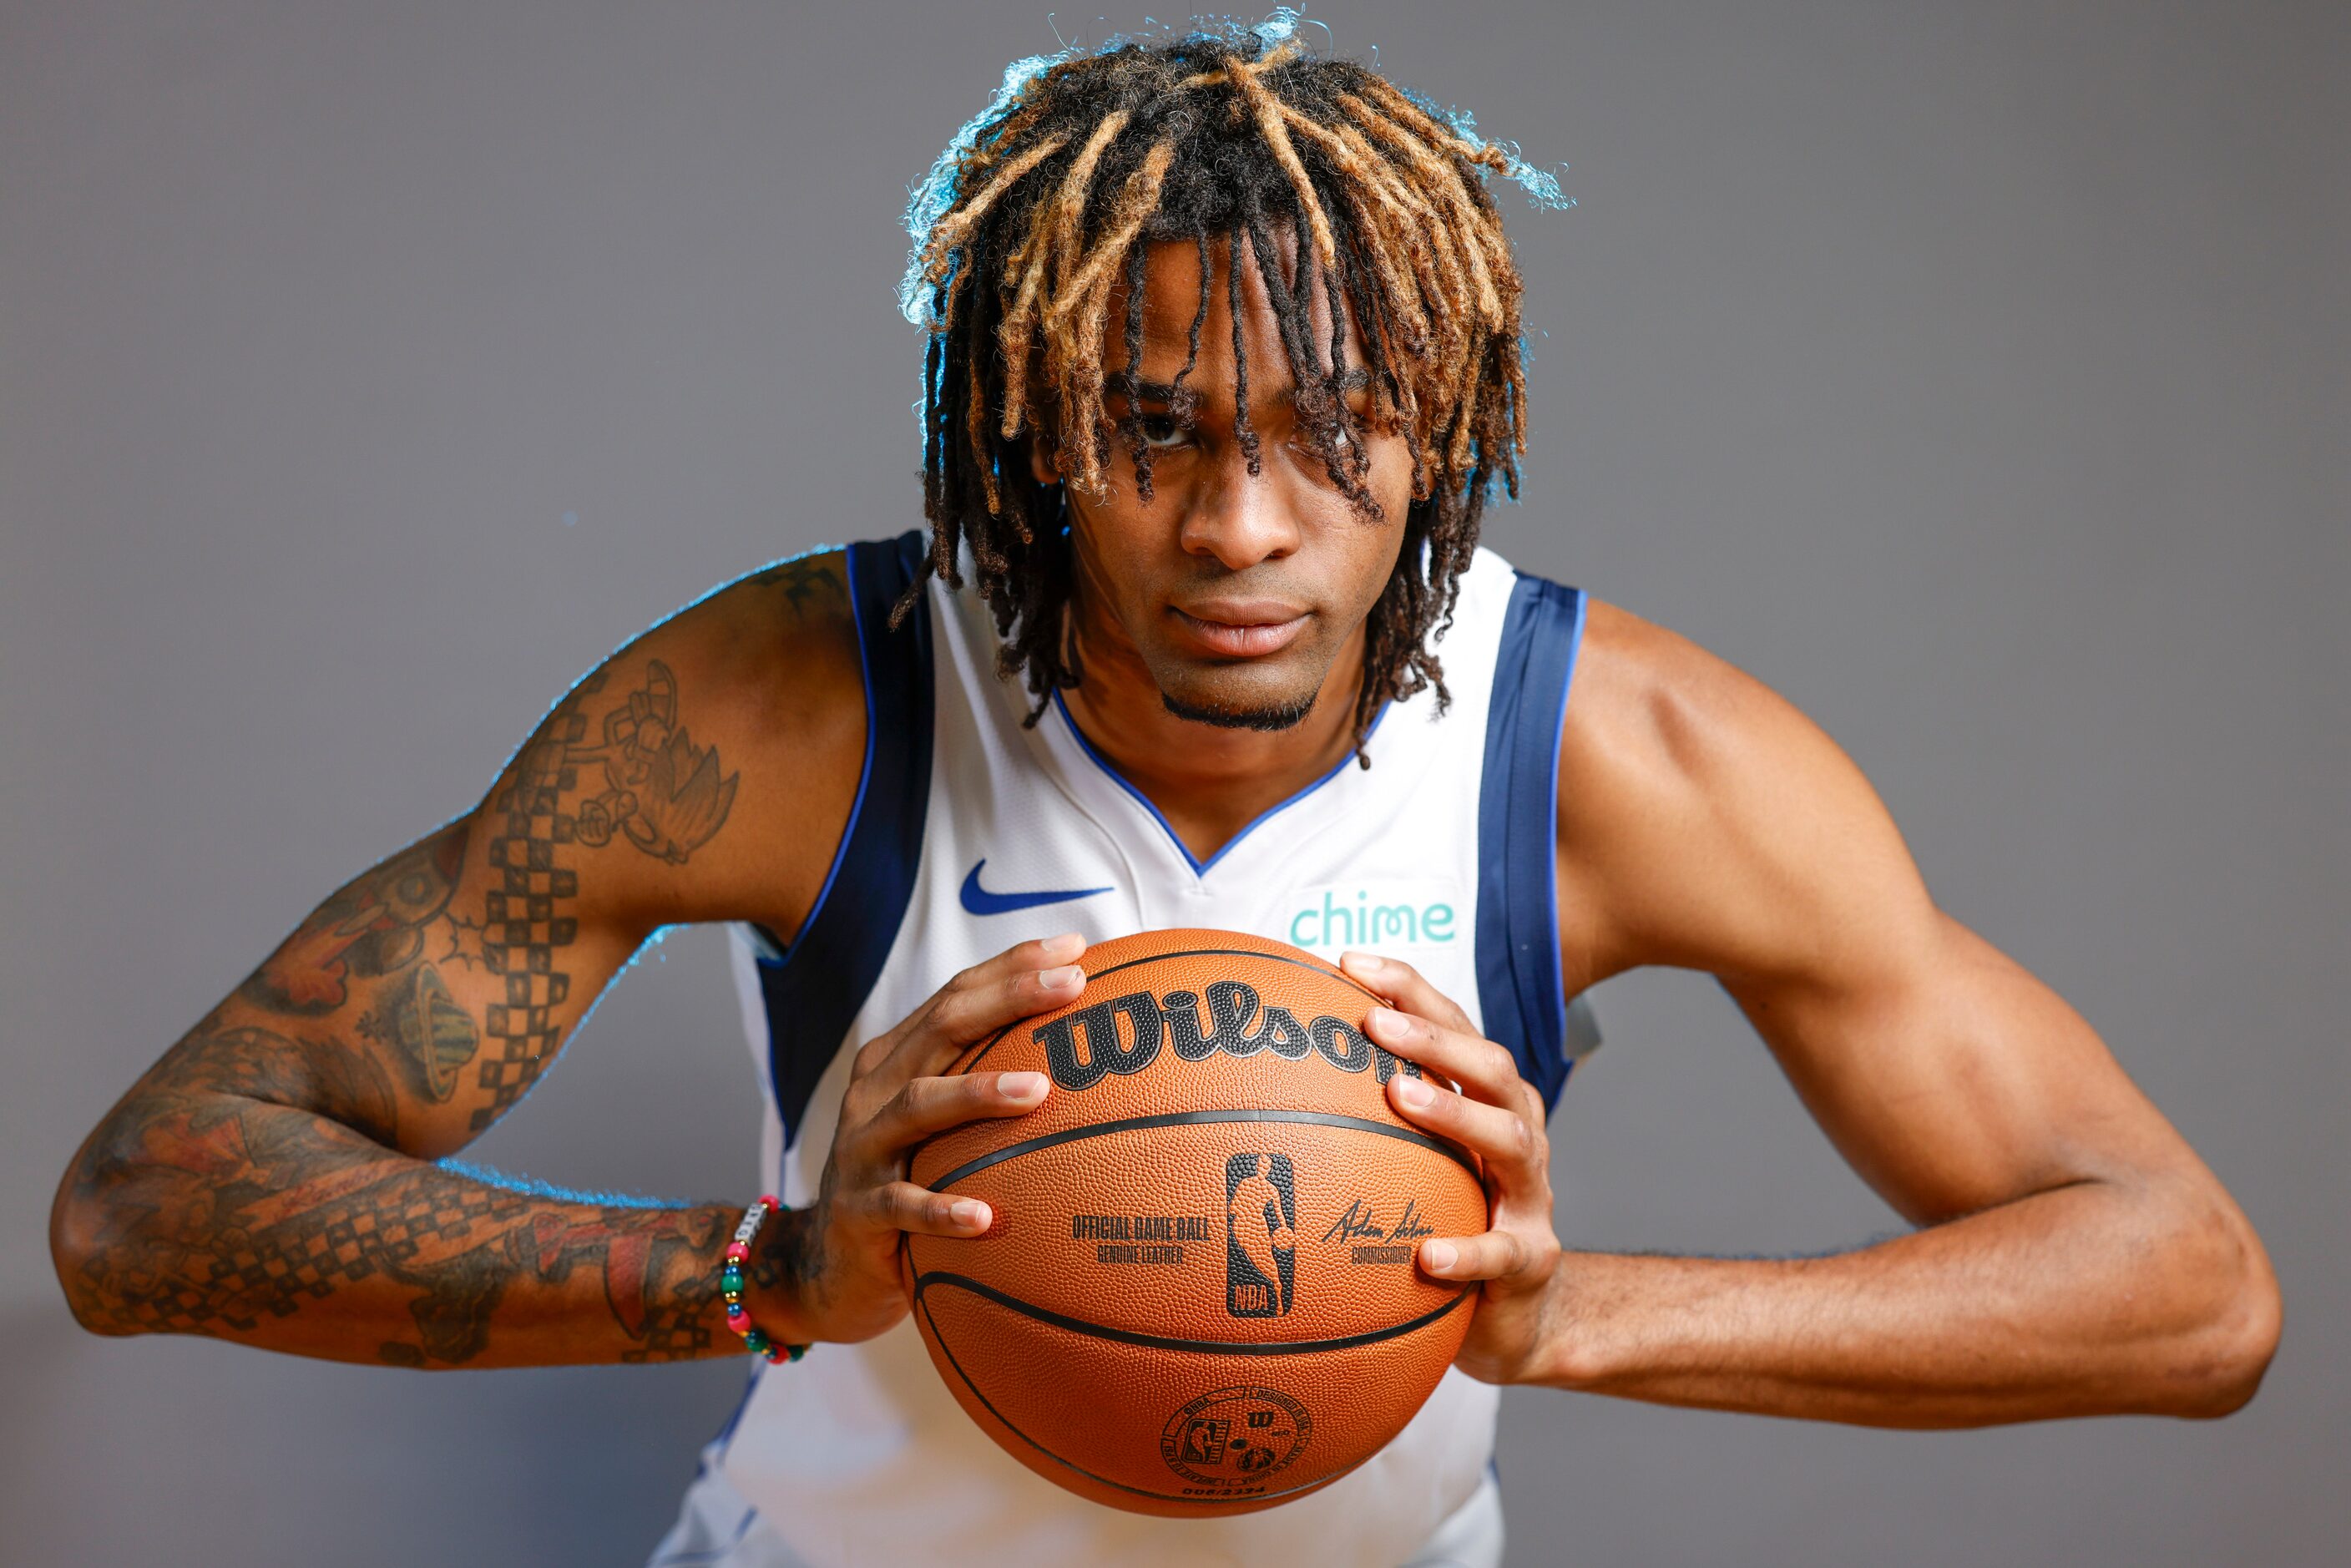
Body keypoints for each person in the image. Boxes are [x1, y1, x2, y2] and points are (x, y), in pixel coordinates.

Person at [47, 19, 2279, 1568]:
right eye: (1153, 433)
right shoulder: (799, 708)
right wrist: (763, 1269)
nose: (1242, 529)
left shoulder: (1615, 759)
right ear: (1026, 437)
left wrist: (1564, 1311)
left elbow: (2188, 1291)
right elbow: (145, 1202)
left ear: (1441, 442)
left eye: (1334, 438)